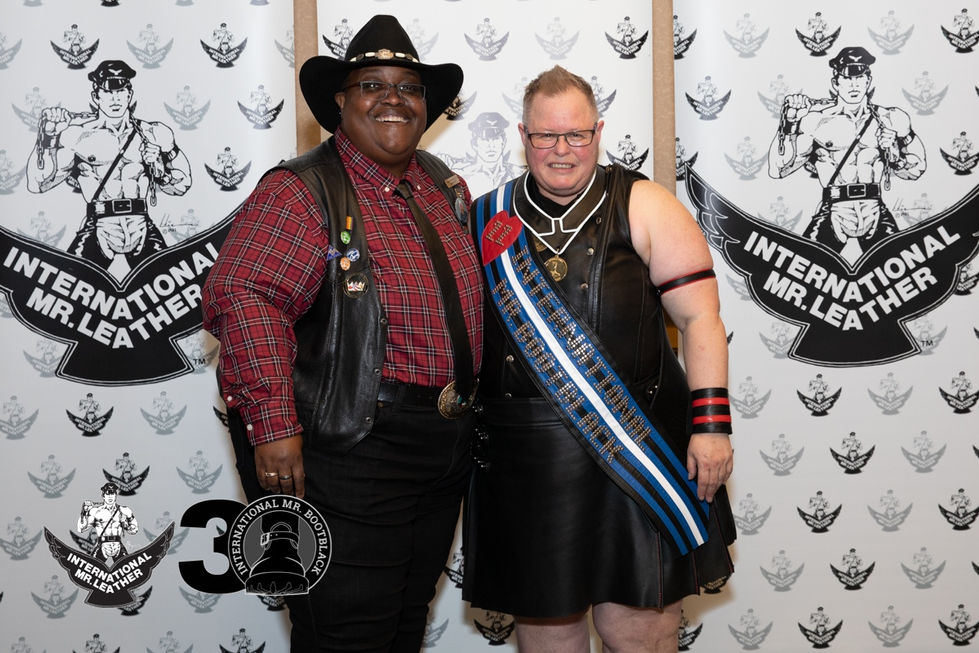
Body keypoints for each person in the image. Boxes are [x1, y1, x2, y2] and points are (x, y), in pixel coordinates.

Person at [202, 15, 482, 652]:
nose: (392, 99)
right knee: (346, 634)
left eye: (407, 87)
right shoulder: (302, 191)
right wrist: (274, 426)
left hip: (441, 448)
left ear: (426, 105)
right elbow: (246, 297)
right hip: (349, 449)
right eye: (371, 85)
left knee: (404, 623)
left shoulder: (444, 186)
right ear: (340, 102)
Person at [465, 66, 735, 652]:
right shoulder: (486, 217)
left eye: (577, 135)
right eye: (545, 136)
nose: (562, 150)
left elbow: (701, 320)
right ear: (523, 135)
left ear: (599, 132)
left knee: (638, 631)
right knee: (549, 634)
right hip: (528, 461)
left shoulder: (647, 203)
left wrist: (712, 428)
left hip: (637, 451)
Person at [26, 59, 191, 277]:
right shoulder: (77, 136)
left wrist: (159, 168)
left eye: (121, 91)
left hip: (141, 225)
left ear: (129, 95)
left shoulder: (155, 133)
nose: (115, 99)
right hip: (99, 227)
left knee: (171, 283)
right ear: (96, 97)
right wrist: (48, 137)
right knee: (68, 284)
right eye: (108, 92)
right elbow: (38, 184)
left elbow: (182, 185)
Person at [768, 46, 925, 263]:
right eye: (847, 78)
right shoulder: (816, 121)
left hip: (874, 210)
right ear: (836, 83)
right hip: (835, 211)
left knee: (902, 269)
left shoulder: (892, 118)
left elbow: (917, 169)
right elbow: (778, 169)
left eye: (859, 78)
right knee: (804, 267)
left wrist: (894, 152)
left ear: (868, 81)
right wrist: (789, 123)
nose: (854, 85)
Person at [77, 482, 138, 563]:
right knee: (91, 567)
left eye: (112, 493)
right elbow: (81, 529)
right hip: (102, 546)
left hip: (118, 546)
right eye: (107, 493)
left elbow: (134, 530)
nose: (110, 496)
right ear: (103, 496)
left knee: (127, 567)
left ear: (116, 495)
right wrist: (84, 513)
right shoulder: (96, 511)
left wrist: (125, 524)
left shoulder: (125, 510)